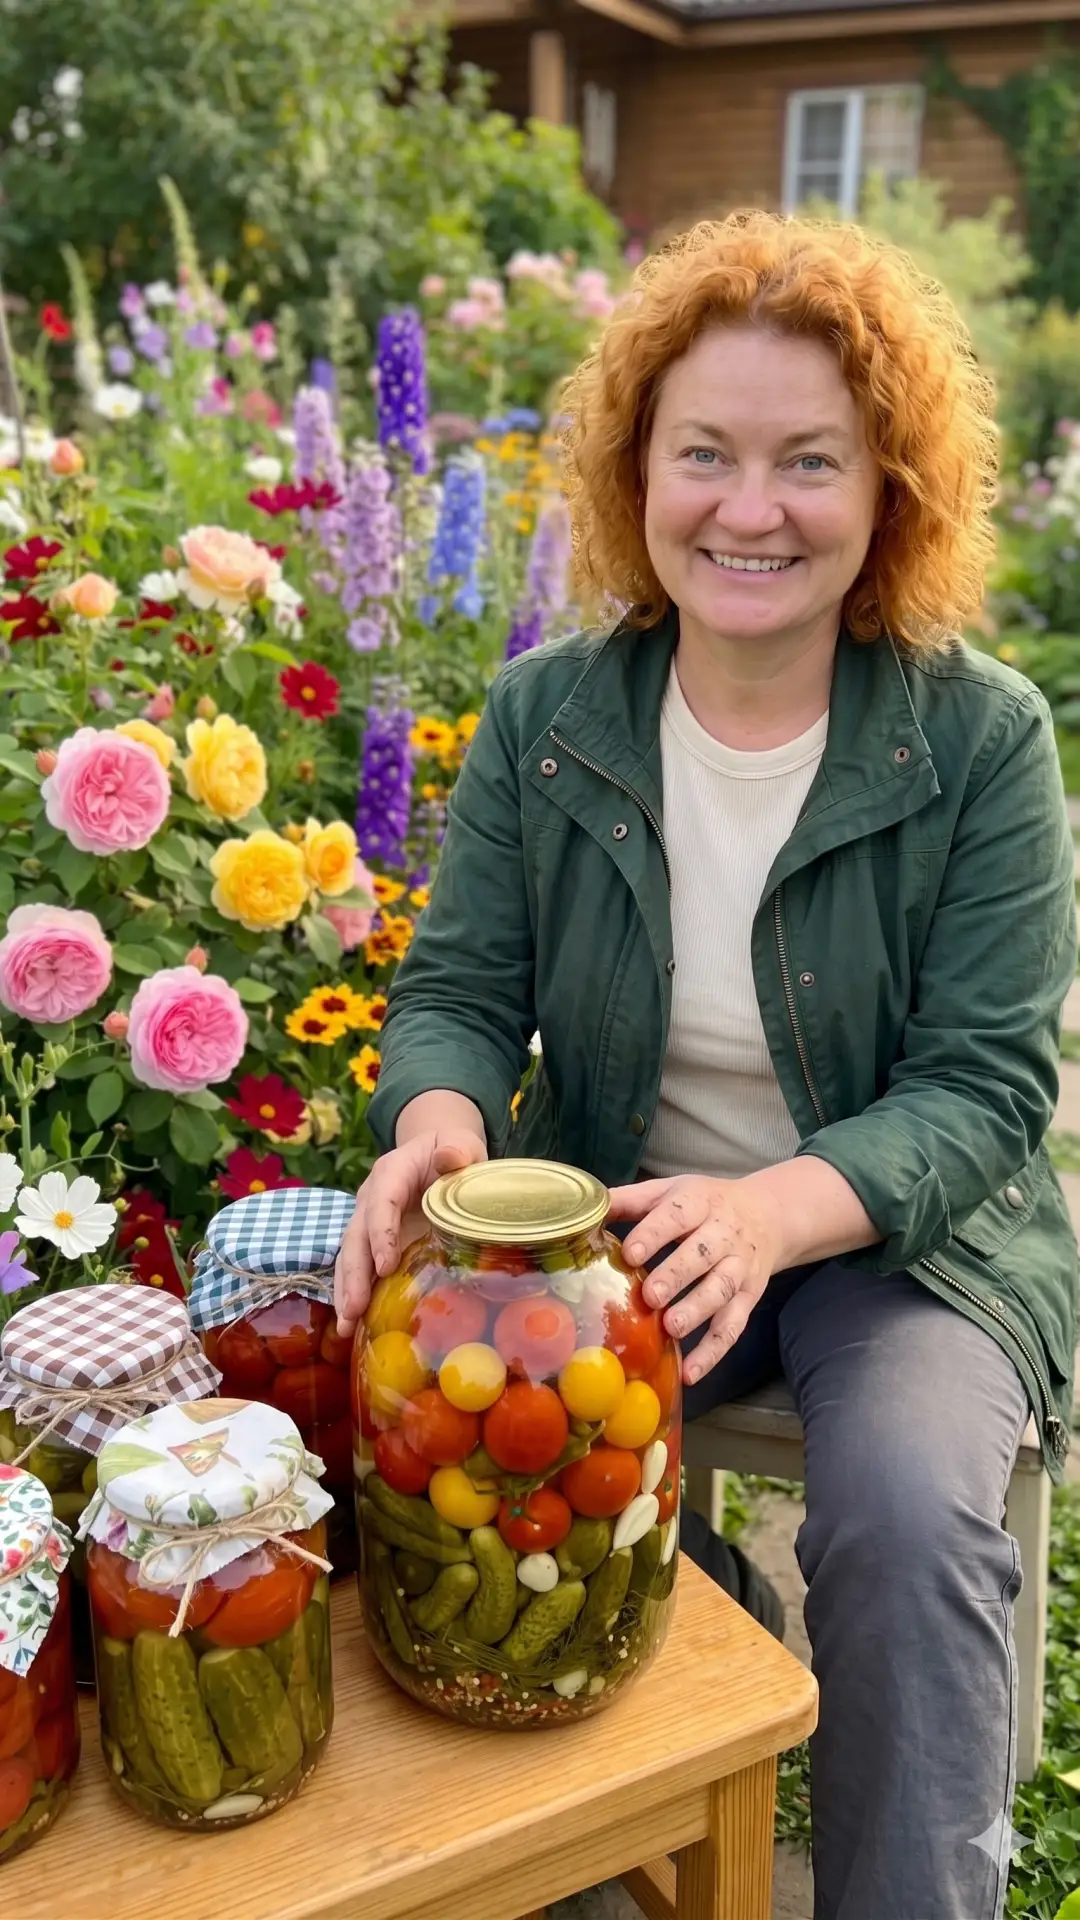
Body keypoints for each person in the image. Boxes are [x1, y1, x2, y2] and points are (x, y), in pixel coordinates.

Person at [336, 210, 1078, 1920]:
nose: (751, 509)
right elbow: (457, 993)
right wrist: (437, 1124)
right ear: (636, 471)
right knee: (450, 1448)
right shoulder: (549, 717)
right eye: (705, 455)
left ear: (890, 488)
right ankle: (612, 1816)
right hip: (620, 1226)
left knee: (904, 1515)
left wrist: (764, 1216)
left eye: (810, 459)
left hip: (904, 1247)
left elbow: (984, 1085)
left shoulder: (980, 737)